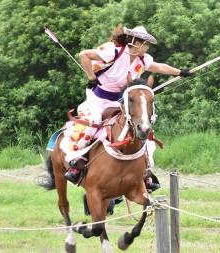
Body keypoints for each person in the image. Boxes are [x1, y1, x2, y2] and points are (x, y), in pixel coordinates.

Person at [61, 24, 192, 188]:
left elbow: (159, 67)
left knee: (143, 128)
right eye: (145, 43)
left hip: (122, 102)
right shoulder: (113, 51)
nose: (147, 47)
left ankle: (146, 172)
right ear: (137, 42)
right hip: (98, 100)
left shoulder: (143, 60)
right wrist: (91, 76)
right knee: (91, 125)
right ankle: (77, 163)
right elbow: (84, 55)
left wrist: (179, 72)